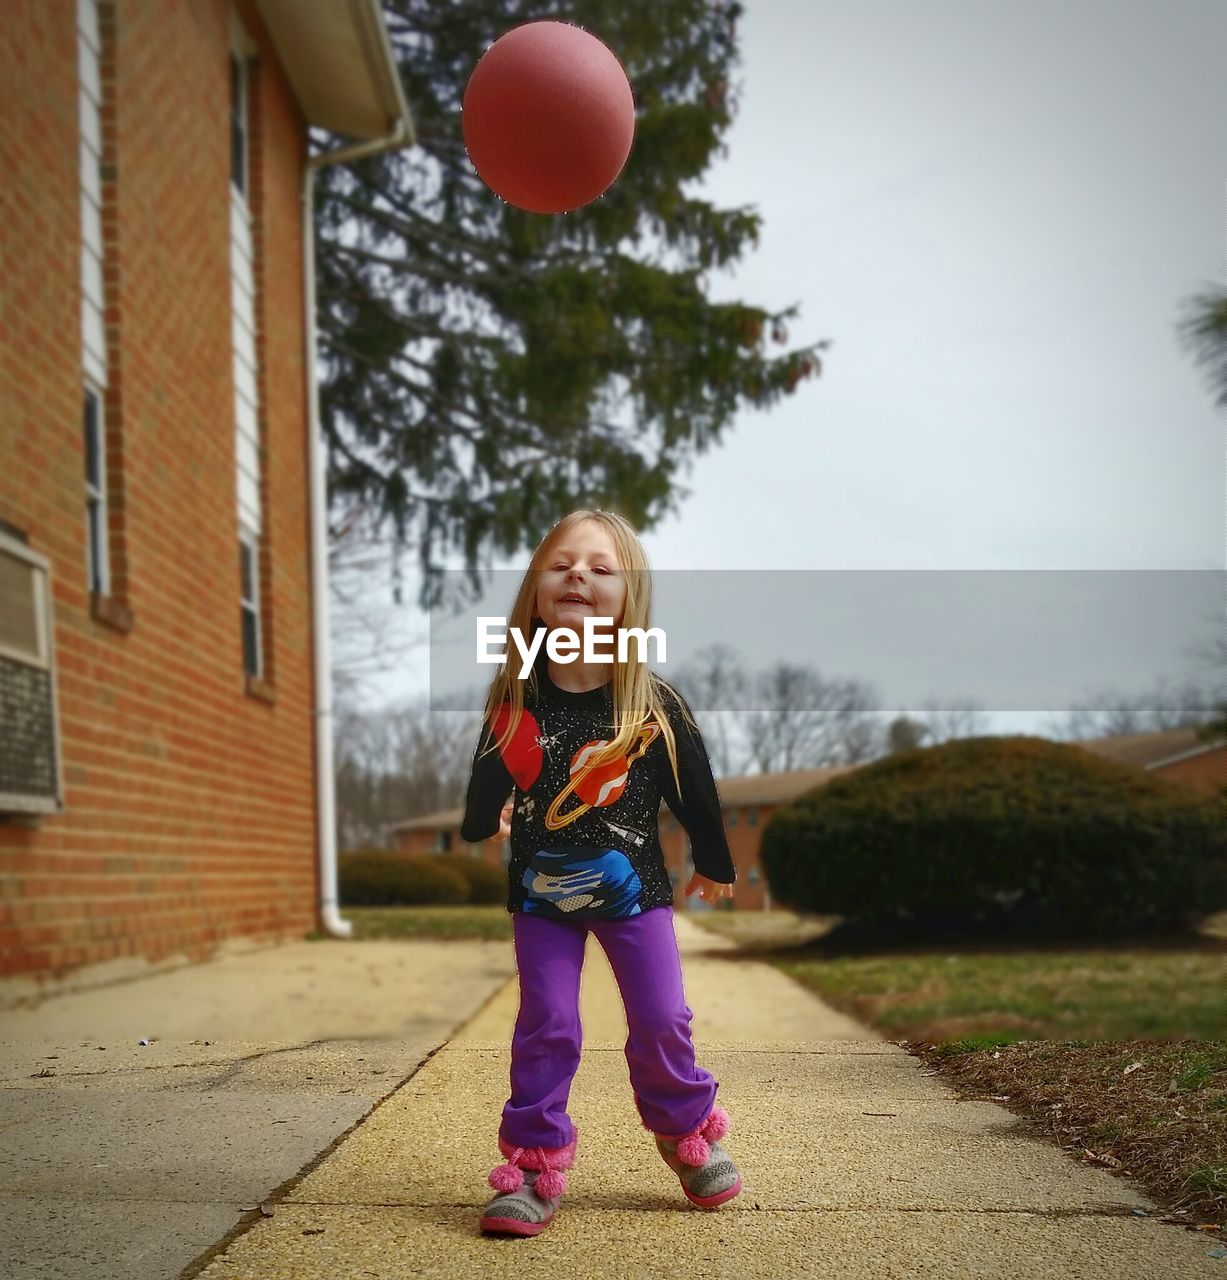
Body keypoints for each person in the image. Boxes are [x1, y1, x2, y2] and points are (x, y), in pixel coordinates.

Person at [460, 508, 742, 1237]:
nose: (576, 574)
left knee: (661, 1017)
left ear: (629, 597)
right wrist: (478, 820)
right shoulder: (516, 697)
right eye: (559, 565)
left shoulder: (651, 704)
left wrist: (713, 863)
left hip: (635, 891)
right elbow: (491, 772)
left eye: (599, 566)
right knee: (547, 1022)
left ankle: (683, 1132)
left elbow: (696, 789)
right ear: (534, 591)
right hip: (539, 893)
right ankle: (532, 1161)